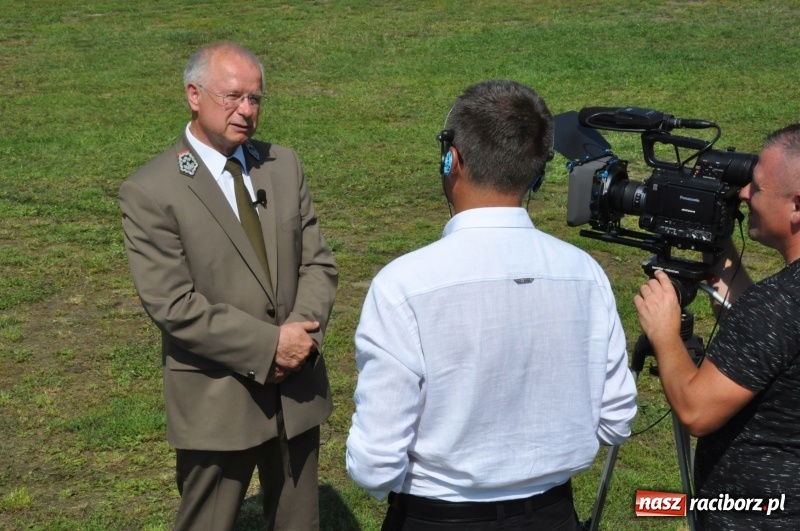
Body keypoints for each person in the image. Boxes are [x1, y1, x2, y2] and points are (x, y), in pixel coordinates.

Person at [346, 79, 638, 530]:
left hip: (434, 517)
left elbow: (375, 465)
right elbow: (617, 418)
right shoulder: (585, 273)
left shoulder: (403, 285)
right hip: (553, 515)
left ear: (452, 157)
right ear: (539, 171)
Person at [119, 42, 338, 530]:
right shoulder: (151, 191)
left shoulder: (283, 166)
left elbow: (318, 264)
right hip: (217, 400)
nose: (246, 110)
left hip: (295, 392)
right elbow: (173, 304)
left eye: (256, 99)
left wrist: (300, 342)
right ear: (194, 95)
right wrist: (269, 346)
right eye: (233, 96)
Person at [634, 124, 800, 529]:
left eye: (757, 189)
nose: (743, 194)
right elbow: (775, 347)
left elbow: (696, 411)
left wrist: (664, 334)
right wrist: (722, 261)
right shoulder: (777, 306)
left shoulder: (777, 306)